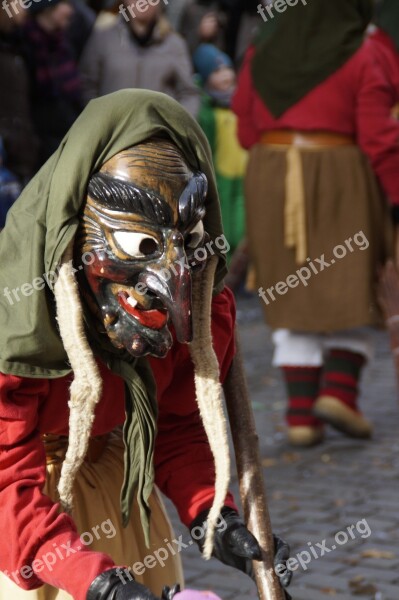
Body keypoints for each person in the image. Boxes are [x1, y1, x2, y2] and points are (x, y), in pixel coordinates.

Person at [0, 90, 291, 600]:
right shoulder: (15, 319)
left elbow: (173, 425)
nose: (168, 282)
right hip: (30, 532)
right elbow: (5, 482)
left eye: (187, 240)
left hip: (125, 505)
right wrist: (94, 581)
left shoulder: (193, 307)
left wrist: (212, 515)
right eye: (143, 246)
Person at [232, 0, 399, 447]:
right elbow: (378, 134)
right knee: (352, 283)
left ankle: (302, 416)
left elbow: (244, 131)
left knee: (291, 291)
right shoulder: (363, 53)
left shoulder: (260, 52)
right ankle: (340, 395)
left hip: (270, 175)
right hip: (340, 173)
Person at [78, 1, 199, 117]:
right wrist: (100, 123)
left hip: (157, 134)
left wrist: (174, 128)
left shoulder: (174, 44)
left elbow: (189, 93)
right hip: (112, 134)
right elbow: (86, 85)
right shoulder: (103, 39)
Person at [193, 44, 247, 260]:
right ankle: (225, 275)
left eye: (227, 68)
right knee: (222, 231)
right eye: (216, 71)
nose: (225, 75)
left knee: (242, 228)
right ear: (205, 77)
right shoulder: (206, 111)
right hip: (220, 177)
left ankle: (241, 275)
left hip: (243, 175)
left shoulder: (240, 100)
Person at [23, 0, 84, 167]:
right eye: (65, 4)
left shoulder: (63, 43)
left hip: (66, 137)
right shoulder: (25, 45)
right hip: (36, 146)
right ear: (47, 9)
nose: (71, 11)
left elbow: (74, 97)